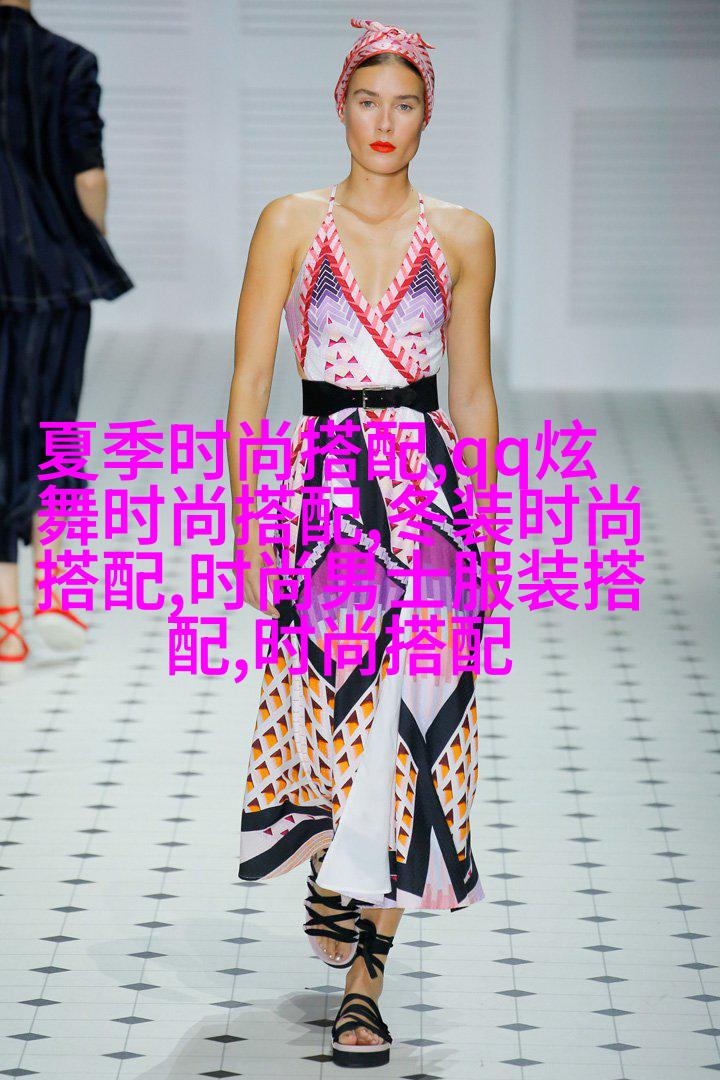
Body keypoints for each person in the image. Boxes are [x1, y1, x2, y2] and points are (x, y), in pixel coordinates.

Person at [227, 18, 498, 1068]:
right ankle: (330, 868)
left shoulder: (463, 235)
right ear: (340, 106)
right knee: (331, 716)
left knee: (411, 730)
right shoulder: (291, 222)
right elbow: (251, 383)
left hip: (429, 501)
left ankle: (364, 986)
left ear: (428, 115)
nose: (385, 123)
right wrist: (248, 531)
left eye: (406, 104)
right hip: (322, 499)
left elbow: (472, 393)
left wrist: (486, 534)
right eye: (368, 101)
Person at [0, 0, 133, 662]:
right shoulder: (68, 61)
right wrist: (88, 238)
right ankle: (57, 587)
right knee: (55, 421)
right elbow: (89, 175)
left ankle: (5, 618)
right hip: (52, 272)